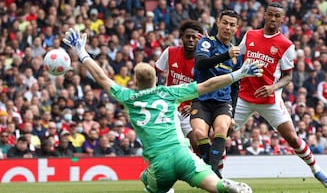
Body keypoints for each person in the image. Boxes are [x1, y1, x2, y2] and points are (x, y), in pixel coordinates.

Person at [63, 28, 262, 193]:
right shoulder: (169, 93)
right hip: (183, 155)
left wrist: (81, 53)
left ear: (135, 82)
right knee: (214, 185)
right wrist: (239, 73)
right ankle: (226, 187)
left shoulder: (128, 97)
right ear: (156, 80)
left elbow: (102, 78)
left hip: (159, 164)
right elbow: (208, 84)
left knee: (147, 182)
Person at [233, 2, 327, 188]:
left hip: (270, 100)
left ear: (282, 19)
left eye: (277, 16)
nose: (273, 18)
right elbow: (235, 55)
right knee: (222, 134)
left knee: (292, 138)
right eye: (270, 14)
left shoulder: (286, 44)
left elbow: (288, 77)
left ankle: (316, 170)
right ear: (264, 15)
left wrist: (273, 88)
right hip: (244, 96)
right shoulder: (250, 35)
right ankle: (214, 175)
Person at [191, 10, 242, 178]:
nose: (228, 27)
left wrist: (232, 113)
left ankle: (211, 172)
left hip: (223, 102)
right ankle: (214, 172)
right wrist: (225, 55)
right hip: (201, 99)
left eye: (232, 25)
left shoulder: (236, 56)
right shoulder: (207, 42)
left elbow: (235, 87)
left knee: (221, 128)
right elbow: (201, 63)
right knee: (199, 133)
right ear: (218, 23)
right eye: (225, 23)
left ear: (236, 28)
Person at [155, 20, 203, 151]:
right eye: (188, 37)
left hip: (190, 109)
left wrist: (193, 105)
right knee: (163, 145)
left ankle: (202, 168)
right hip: (169, 106)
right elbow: (155, 71)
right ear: (182, 38)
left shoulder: (203, 61)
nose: (191, 40)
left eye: (194, 37)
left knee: (197, 143)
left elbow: (207, 88)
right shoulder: (170, 52)